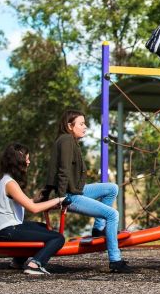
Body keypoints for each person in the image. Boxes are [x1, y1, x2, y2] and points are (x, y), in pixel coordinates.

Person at [40, 110, 131, 273]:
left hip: (77, 190)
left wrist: (48, 191)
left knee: (112, 188)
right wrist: (61, 198)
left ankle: (98, 228)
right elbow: (62, 170)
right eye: (81, 124)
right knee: (113, 215)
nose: (85, 127)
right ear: (69, 125)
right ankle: (115, 260)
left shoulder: (68, 140)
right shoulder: (67, 140)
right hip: (70, 195)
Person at [0, 143, 66, 275]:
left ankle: (18, 261)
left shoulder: (4, 179)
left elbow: (28, 202)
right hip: (7, 231)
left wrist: (43, 201)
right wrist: (59, 200)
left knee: (43, 227)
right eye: (26, 159)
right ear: (18, 162)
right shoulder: (10, 183)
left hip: (5, 229)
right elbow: (33, 209)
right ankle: (35, 264)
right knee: (58, 238)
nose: (29, 162)